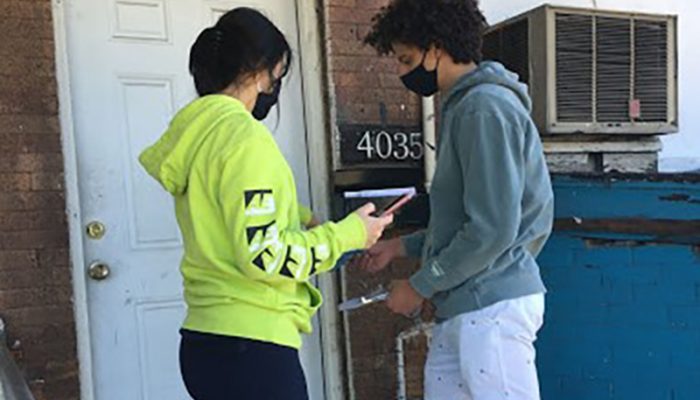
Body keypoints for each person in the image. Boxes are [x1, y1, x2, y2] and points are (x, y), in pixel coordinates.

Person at [139, 8, 393, 400]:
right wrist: (349, 235)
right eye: (279, 73)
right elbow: (265, 256)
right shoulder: (243, 138)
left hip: (204, 342)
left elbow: (228, 218)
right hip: (252, 348)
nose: (276, 85)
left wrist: (299, 220)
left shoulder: (197, 136)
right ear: (260, 70)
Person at [362, 1, 555, 399]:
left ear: (437, 48)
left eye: (406, 58)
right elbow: (467, 223)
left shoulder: (482, 110)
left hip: (490, 307)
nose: (401, 71)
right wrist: (400, 246)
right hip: (472, 304)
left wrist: (418, 286)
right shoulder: (470, 107)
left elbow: (491, 230)